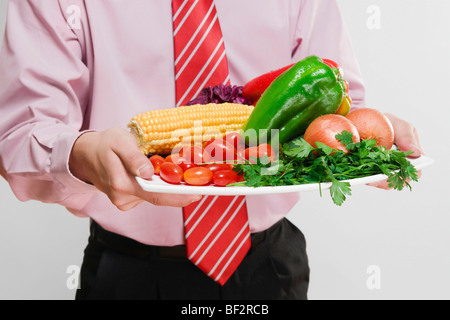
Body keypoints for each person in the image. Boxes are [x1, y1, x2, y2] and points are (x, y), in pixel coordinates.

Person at [0, 0, 423, 300]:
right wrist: (80, 153)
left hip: (270, 266)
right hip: (130, 272)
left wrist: (369, 134)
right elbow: (21, 133)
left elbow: (335, 94)